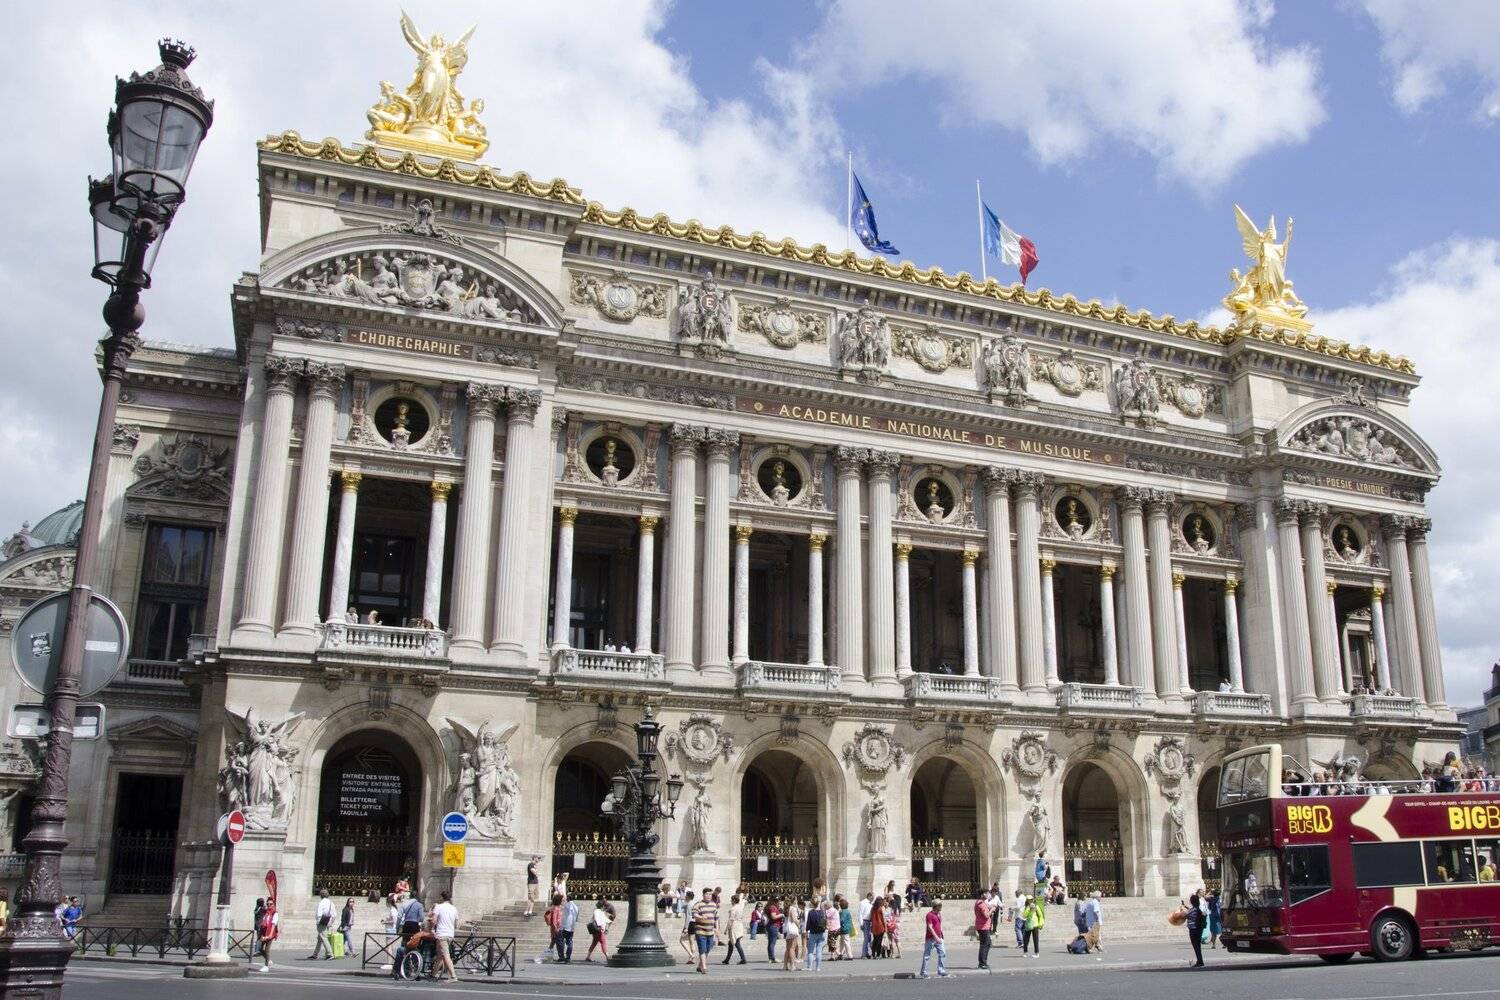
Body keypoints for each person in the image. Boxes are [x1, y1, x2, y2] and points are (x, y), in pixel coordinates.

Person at [393, 893, 427, 977]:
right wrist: (417, 920)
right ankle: (414, 968)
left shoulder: (405, 904)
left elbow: (399, 916)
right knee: (414, 946)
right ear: (417, 897)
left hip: (406, 926)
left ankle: (400, 969)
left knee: (404, 946)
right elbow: (422, 918)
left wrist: (397, 928)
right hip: (414, 926)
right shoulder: (419, 905)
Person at [432, 889, 459, 982]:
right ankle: (433, 974)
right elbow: (456, 923)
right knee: (440, 955)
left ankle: (453, 976)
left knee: (446, 955)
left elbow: (434, 920)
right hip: (450, 934)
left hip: (441, 934)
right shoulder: (454, 908)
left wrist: (432, 929)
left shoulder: (438, 907)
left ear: (441, 897)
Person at [691, 886, 719, 974]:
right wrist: (701, 917)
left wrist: (717, 929)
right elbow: (694, 914)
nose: (709, 896)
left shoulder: (714, 905)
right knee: (702, 949)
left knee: (708, 949)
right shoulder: (698, 904)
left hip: (710, 931)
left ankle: (700, 966)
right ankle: (704, 967)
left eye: (710, 894)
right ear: (703, 895)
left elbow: (716, 918)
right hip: (700, 930)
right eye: (707, 894)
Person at [918, 900, 948, 977]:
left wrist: (941, 935)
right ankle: (923, 971)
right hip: (931, 938)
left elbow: (939, 925)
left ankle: (941, 970)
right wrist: (936, 937)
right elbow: (930, 927)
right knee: (927, 955)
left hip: (939, 937)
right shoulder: (929, 915)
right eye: (940, 905)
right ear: (935, 906)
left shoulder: (939, 914)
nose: (941, 907)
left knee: (942, 953)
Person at [721, 893, 747, 965]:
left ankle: (743, 959)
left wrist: (726, 929)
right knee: (731, 943)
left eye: (731, 900)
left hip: (734, 926)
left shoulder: (733, 909)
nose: (731, 901)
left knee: (736, 943)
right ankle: (727, 959)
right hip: (739, 925)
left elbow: (731, 919)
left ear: (734, 900)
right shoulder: (740, 907)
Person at [310, 889, 336, 959]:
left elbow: (319, 913)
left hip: (321, 922)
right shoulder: (331, 903)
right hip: (328, 922)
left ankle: (330, 954)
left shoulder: (321, 902)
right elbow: (334, 914)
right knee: (320, 938)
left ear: (321, 895)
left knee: (324, 938)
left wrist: (318, 921)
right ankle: (315, 954)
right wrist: (331, 922)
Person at [804, 892, 827, 970]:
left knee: (810, 951)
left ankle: (810, 967)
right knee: (819, 951)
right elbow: (825, 922)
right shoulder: (822, 912)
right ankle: (818, 967)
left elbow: (808, 923)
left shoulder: (811, 912)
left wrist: (806, 931)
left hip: (813, 933)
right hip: (821, 932)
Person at [256, 898, 279, 972]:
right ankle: (268, 960)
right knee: (260, 949)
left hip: (270, 932)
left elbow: (273, 924)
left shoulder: (275, 913)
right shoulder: (266, 912)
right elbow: (262, 922)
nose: (269, 905)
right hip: (264, 932)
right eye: (268, 904)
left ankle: (266, 966)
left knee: (267, 950)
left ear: (273, 905)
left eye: (271, 904)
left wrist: (270, 935)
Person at [585, 896, 612, 962]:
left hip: (597, 930)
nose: (604, 907)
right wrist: (600, 926)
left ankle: (588, 956)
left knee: (594, 943)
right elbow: (597, 919)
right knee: (603, 942)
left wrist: (609, 922)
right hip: (598, 930)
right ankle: (607, 956)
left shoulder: (600, 912)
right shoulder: (597, 911)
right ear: (602, 906)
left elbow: (605, 919)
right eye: (604, 906)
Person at [537, 893, 562, 964]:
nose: (562, 901)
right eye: (561, 900)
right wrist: (556, 928)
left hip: (555, 927)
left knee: (553, 942)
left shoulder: (555, 908)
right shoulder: (556, 908)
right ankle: (551, 956)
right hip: (555, 928)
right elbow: (554, 920)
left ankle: (548, 956)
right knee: (556, 942)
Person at [1184, 890, 1205, 968]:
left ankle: (1200, 961)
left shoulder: (1192, 910)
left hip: (1193, 930)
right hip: (1199, 929)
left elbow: (1185, 915)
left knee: (1196, 947)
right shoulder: (1198, 909)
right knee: (1198, 946)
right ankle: (1200, 961)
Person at [973, 890, 994, 969]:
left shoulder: (980, 902)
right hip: (983, 927)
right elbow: (986, 915)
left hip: (982, 926)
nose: (988, 895)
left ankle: (982, 962)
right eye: (986, 893)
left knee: (985, 944)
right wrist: (992, 910)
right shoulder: (981, 904)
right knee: (986, 944)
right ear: (982, 895)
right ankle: (982, 963)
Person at [781, 897, 802, 971]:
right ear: (794, 901)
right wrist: (799, 925)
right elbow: (794, 919)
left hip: (786, 929)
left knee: (788, 948)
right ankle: (792, 965)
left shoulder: (786, 908)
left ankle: (785, 965)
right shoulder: (792, 908)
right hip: (792, 929)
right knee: (792, 948)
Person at [557, 894, 579, 962]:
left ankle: (561, 956)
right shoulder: (576, 907)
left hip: (564, 926)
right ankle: (568, 957)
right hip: (571, 927)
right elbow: (576, 918)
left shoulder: (566, 905)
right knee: (569, 941)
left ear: (568, 898)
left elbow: (563, 916)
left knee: (560, 941)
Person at [1021, 892, 1045, 957]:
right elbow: (1024, 915)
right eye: (1029, 900)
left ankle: (1037, 953)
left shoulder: (1036, 906)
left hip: (1035, 925)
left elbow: (1041, 916)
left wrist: (1040, 924)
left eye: (1031, 899)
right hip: (1028, 925)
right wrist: (1029, 909)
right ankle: (1025, 952)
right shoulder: (1027, 907)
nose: (1030, 901)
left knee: (1036, 939)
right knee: (1026, 939)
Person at [764, 896, 783, 962]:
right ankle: (772, 958)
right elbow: (773, 917)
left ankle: (770, 958)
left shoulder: (771, 907)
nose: (779, 902)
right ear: (775, 901)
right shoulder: (773, 907)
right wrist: (781, 915)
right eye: (778, 901)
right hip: (774, 926)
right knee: (772, 942)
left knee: (770, 943)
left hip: (771, 926)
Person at [869, 893, 887, 958]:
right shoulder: (881, 908)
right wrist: (885, 927)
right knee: (879, 941)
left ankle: (873, 954)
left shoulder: (872, 908)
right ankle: (878, 954)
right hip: (880, 926)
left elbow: (870, 917)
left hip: (874, 926)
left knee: (875, 940)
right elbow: (883, 918)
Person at [886, 894, 904, 958]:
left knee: (892, 940)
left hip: (892, 925)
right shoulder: (899, 909)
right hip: (898, 925)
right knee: (898, 940)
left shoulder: (891, 909)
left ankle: (893, 954)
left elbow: (889, 918)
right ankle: (900, 953)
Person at [858, 891, 874, 958]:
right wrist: (861, 923)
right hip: (865, 921)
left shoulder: (871, 903)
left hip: (870, 922)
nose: (873, 898)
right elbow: (860, 914)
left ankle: (867, 953)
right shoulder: (863, 903)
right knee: (866, 938)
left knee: (869, 938)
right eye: (872, 897)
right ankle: (864, 954)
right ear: (869, 896)